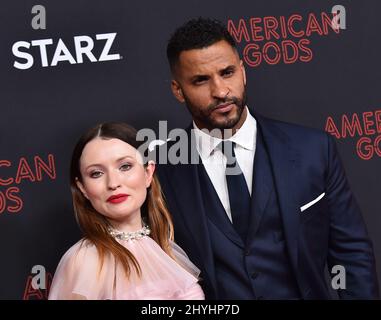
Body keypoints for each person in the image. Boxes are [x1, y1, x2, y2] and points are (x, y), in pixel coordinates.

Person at [154, 17, 379, 299]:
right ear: (178, 90)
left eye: (227, 72)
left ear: (243, 72)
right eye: (201, 80)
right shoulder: (159, 169)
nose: (221, 91)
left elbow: (352, 253)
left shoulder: (313, 149)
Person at [48, 122, 204, 300]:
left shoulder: (164, 247)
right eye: (96, 173)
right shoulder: (84, 260)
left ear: (148, 173)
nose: (113, 183)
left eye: (125, 166)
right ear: (82, 188)